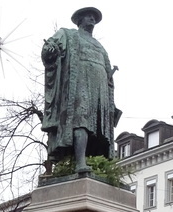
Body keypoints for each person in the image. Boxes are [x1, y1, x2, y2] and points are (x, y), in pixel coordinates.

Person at [42, 7, 120, 173]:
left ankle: (96, 163)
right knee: (80, 120)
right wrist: (49, 52)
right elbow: (49, 50)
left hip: (100, 89)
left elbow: (107, 72)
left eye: (94, 17)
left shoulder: (100, 46)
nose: (92, 19)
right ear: (79, 20)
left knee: (98, 127)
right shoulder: (68, 35)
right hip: (79, 83)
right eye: (88, 16)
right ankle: (79, 163)